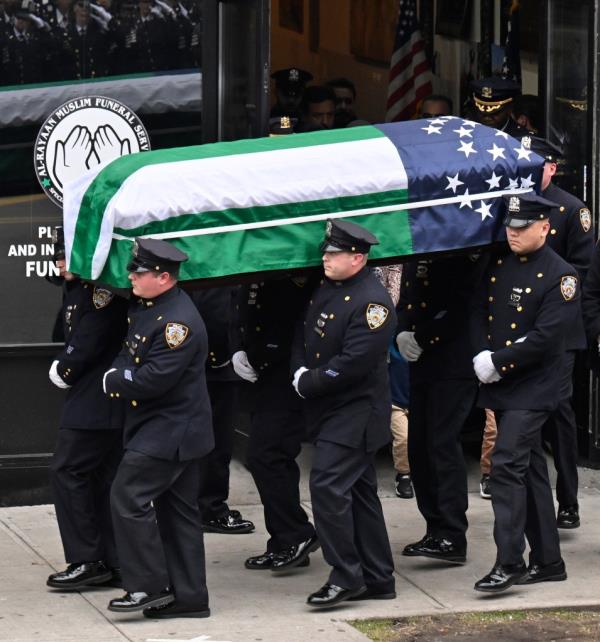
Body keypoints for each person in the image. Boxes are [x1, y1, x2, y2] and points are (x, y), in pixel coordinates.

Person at [472, 193, 577, 593]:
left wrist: (499, 360)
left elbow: (547, 337)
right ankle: (549, 560)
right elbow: (478, 309)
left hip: (535, 384)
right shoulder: (499, 262)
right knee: (529, 468)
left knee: (507, 464)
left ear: (545, 228)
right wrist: (481, 351)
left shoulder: (561, 275)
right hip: (504, 381)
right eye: (510, 227)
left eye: (522, 228)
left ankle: (510, 561)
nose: (512, 234)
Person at [103, 238, 214, 618]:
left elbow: (154, 379)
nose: (132, 276)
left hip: (171, 431)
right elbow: (129, 352)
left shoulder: (177, 323)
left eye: (140, 271)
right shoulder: (147, 307)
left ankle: (147, 587)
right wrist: (120, 370)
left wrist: (114, 380)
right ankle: (189, 597)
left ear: (164, 277)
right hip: (159, 427)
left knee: (127, 496)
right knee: (177, 512)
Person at [292, 219, 396, 608]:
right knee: (359, 492)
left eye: (333, 253)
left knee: (327, 485)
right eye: (326, 251)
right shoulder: (329, 287)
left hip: (357, 411)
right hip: (332, 408)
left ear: (358, 257)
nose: (325, 258)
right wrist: (299, 370)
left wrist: (310, 381)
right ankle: (378, 577)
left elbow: (353, 363)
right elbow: (305, 334)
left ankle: (346, 576)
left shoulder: (372, 303)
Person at [46, 226, 128, 591]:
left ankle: (87, 559)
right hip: (95, 399)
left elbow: (90, 337)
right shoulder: (79, 287)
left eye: (65, 255)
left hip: (97, 401)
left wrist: (65, 367)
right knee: (98, 478)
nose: (59, 261)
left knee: (68, 471)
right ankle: (111, 559)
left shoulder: (101, 292)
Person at [396, 253, 485, 565]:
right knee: (420, 447)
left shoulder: (459, 250)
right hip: (422, 361)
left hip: (453, 361)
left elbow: (464, 305)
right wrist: (401, 330)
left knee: (441, 444)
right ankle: (435, 527)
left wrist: (422, 335)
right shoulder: (421, 249)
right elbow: (408, 297)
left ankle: (452, 533)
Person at [234, 277, 318, 571]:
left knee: (267, 455)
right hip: (264, 373)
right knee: (267, 457)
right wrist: (240, 348)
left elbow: (297, 323)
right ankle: (284, 538)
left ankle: (296, 534)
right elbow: (246, 308)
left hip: (286, 374)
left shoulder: (295, 275)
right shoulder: (258, 270)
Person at [191, 287, 255, 534]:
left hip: (208, 364)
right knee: (217, 442)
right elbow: (216, 312)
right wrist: (222, 356)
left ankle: (202, 505)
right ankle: (210, 508)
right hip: (216, 366)